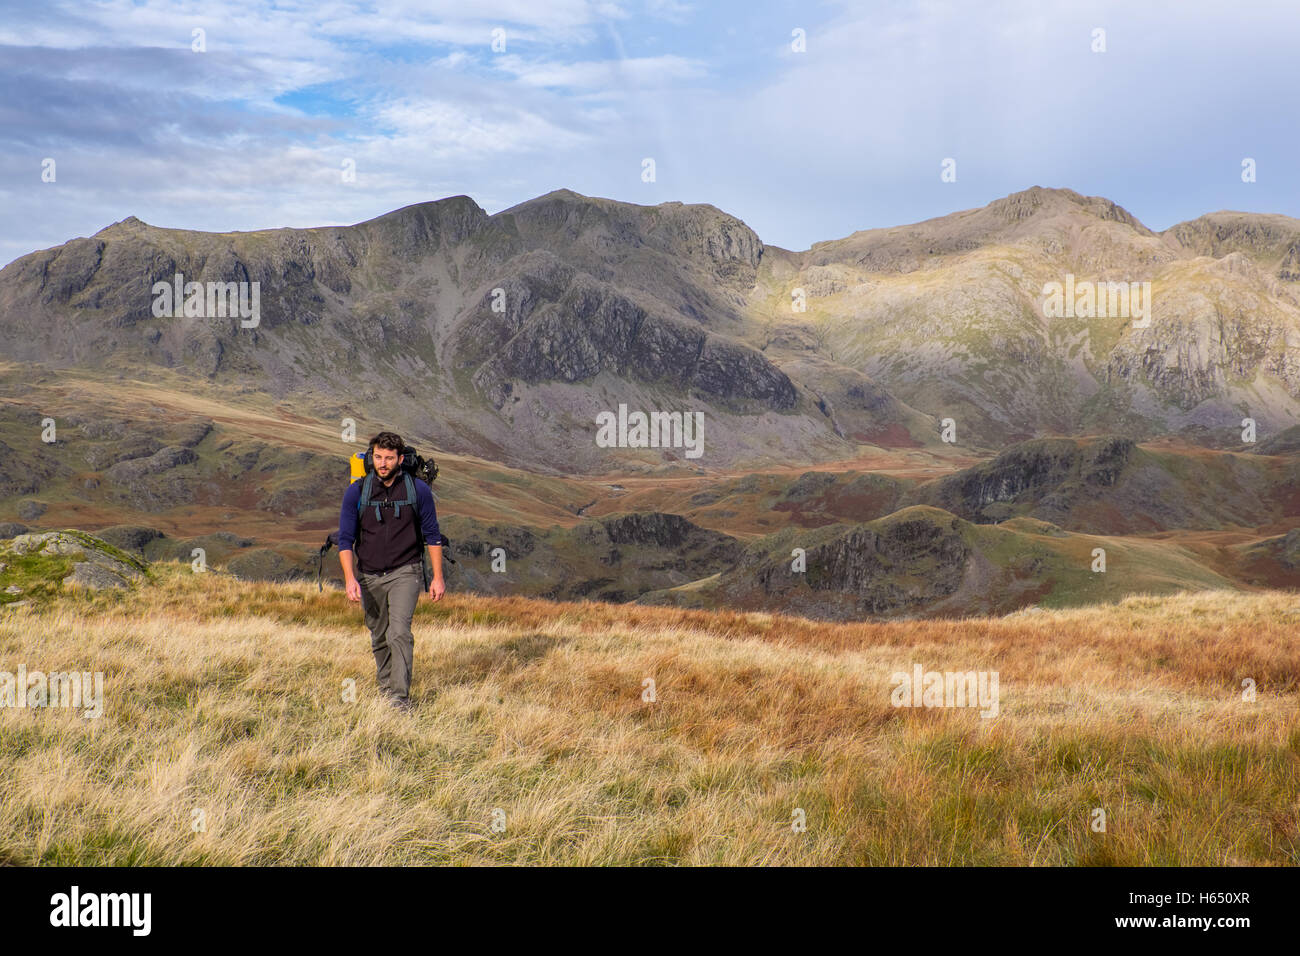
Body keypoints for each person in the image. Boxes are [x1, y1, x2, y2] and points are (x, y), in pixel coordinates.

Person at [337, 431, 445, 711]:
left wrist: (437, 577)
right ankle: (386, 688)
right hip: (369, 574)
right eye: (378, 457)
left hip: (405, 572)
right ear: (371, 458)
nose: (383, 463)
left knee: (399, 632)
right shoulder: (357, 491)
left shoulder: (418, 491)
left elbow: (432, 535)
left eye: (388, 458)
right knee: (379, 634)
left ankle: (399, 698)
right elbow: (345, 539)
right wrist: (350, 578)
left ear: (399, 459)